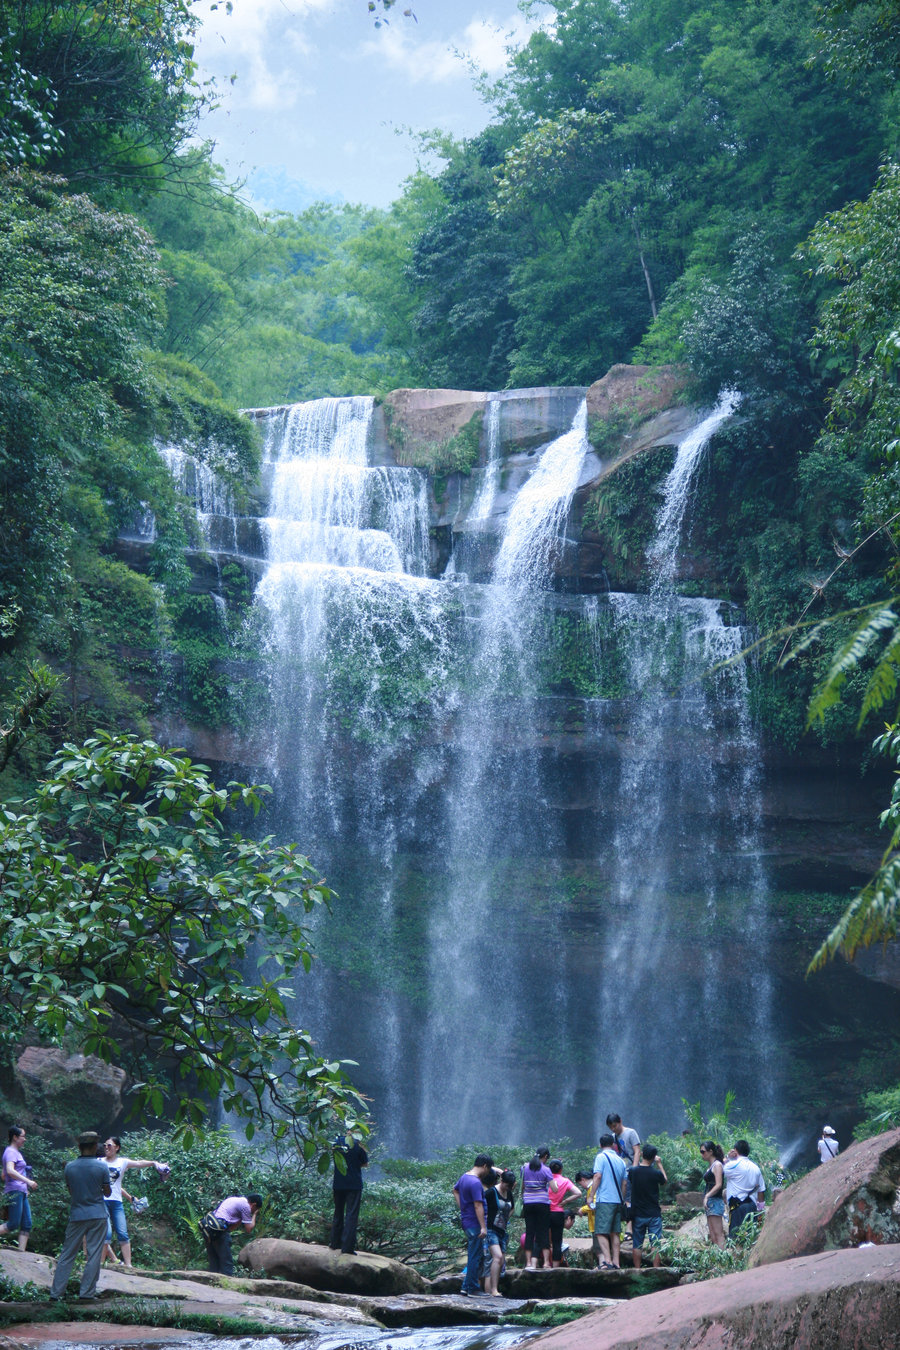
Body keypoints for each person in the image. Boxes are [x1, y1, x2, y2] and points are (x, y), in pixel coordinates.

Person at [49, 1131, 111, 1302]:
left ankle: (56, 1294)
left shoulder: (70, 1167)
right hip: (97, 1214)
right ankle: (86, 1294)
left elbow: (71, 1191)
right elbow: (107, 1192)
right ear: (94, 1147)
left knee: (67, 1254)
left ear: (79, 1147)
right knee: (94, 1255)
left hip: (77, 1215)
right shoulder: (101, 1167)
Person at [102, 1136, 170, 1268]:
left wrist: (154, 1163)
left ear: (117, 1147)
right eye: (105, 1145)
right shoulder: (99, 1162)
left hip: (116, 1202)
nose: (106, 1148)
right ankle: (99, 1266)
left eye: (109, 1145)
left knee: (122, 1232)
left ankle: (129, 1266)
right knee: (107, 1233)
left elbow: (139, 1163)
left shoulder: (122, 1162)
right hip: (102, 1201)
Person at [453, 1154, 494, 1295]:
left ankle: (465, 1287)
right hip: (475, 1223)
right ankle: (473, 1288)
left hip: (467, 1221)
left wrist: (462, 1208)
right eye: (488, 1170)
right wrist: (483, 1226)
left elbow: (455, 1190)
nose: (488, 1173)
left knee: (473, 1254)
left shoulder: (465, 1177)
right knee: (475, 1256)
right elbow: (478, 1205)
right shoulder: (476, 1182)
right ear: (484, 1166)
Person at [587, 1133, 628, 1269]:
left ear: (600, 1145)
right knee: (615, 1232)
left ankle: (608, 1262)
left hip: (605, 1199)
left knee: (600, 1231)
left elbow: (598, 1176)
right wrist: (621, 1199)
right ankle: (616, 1263)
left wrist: (591, 1194)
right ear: (613, 1145)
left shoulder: (601, 1157)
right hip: (617, 1200)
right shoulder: (621, 1160)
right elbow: (624, 1183)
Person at [200, 1193, 263, 1275]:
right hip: (220, 1231)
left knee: (214, 1260)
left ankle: (211, 1283)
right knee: (227, 1262)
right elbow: (249, 1229)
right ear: (253, 1205)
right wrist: (254, 1215)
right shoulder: (246, 1206)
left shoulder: (234, 1199)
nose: (253, 1211)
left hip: (210, 1230)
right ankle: (228, 1284)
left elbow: (231, 1228)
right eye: (255, 1209)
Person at [628, 1145, 667, 1268]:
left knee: (637, 1243)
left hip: (638, 1213)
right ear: (653, 1157)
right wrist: (659, 1164)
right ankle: (656, 1269)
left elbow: (631, 1179)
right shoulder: (655, 1173)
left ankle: (637, 1270)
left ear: (642, 1154)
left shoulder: (633, 1171)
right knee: (655, 1243)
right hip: (654, 1213)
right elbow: (664, 1180)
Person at [329, 1131, 369, 1255]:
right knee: (351, 1215)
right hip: (354, 1185)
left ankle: (334, 1243)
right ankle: (347, 1248)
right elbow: (365, 1163)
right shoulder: (358, 1146)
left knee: (338, 1212)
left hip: (339, 1183)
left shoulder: (337, 1143)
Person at [0, 1126, 37, 1251]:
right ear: (15, 1137)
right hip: (15, 1191)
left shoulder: (15, 1153)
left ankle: (21, 1254)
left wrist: (24, 1186)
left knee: (26, 1224)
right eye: (23, 1136)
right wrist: (28, 1181)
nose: (25, 1139)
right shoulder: (10, 1152)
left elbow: (4, 1175)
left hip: (20, 1191)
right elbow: (10, 1171)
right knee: (13, 1224)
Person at [723, 1140, 766, 1238]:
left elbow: (718, 1169)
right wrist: (761, 1211)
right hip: (752, 1207)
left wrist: (728, 1157)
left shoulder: (733, 1165)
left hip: (737, 1208)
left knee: (735, 1239)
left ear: (735, 1151)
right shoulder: (756, 1168)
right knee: (749, 1238)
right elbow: (761, 1191)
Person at [483, 1168, 516, 1296]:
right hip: (490, 1229)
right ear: (501, 1180)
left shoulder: (509, 1193)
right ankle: (493, 1290)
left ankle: (492, 1289)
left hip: (502, 1231)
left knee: (500, 1260)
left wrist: (506, 1218)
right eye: (506, 1185)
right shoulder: (491, 1192)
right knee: (497, 1257)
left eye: (509, 1186)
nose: (507, 1188)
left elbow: (512, 1207)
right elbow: (480, 1205)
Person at [520, 1153, 553, 1270]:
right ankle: (546, 1263)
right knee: (543, 1232)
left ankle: (528, 1263)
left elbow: (522, 1185)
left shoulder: (524, 1168)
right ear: (544, 1157)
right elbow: (554, 1188)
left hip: (528, 1203)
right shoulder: (546, 1169)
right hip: (542, 1203)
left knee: (530, 1232)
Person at [548, 1159, 581, 1267]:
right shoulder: (565, 1181)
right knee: (557, 1242)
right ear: (561, 1169)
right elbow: (578, 1193)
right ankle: (555, 1267)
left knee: (544, 1239)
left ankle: (544, 1264)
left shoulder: (545, 1179)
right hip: (558, 1213)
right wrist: (566, 1201)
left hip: (545, 1212)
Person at [699, 1140, 727, 1249]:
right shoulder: (712, 1166)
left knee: (718, 1234)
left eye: (703, 1151)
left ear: (710, 1151)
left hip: (715, 1201)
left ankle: (723, 1261)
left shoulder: (717, 1165)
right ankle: (717, 1260)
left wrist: (707, 1196)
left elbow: (719, 1184)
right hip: (710, 1202)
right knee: (713, 1235)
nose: (702, 1154)